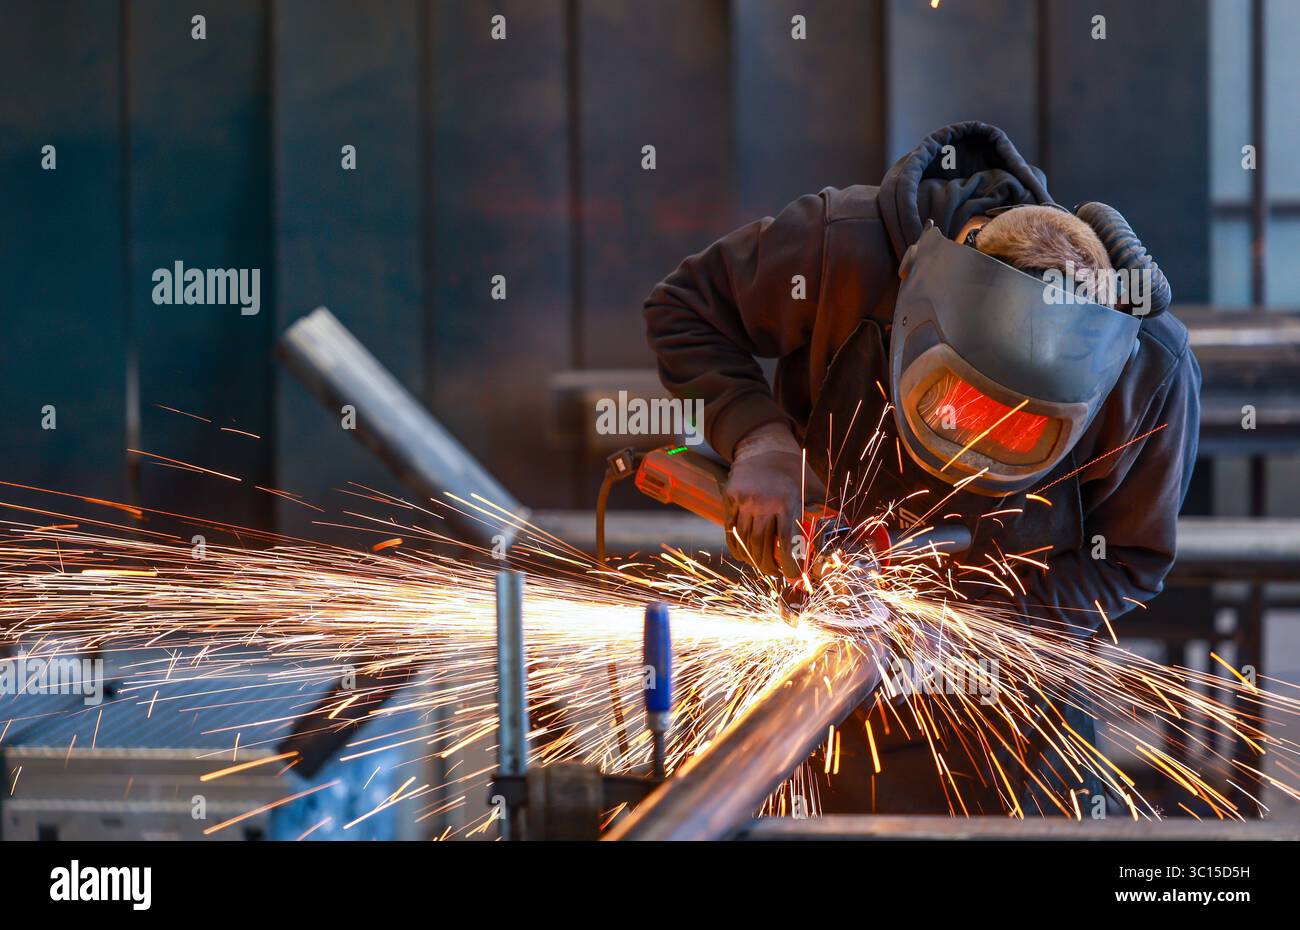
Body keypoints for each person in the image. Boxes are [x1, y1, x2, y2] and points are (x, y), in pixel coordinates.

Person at [642, 122, 1201, 813]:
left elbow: (1128, 563)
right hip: (816, 673)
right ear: (919, 290)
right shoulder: (842, 247)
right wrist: (760, 441)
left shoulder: (1149, 368)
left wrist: (984, 623)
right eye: (961, 402)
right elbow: (685, 309)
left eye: (1013, 428)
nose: (974, 444)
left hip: (1014, 710)